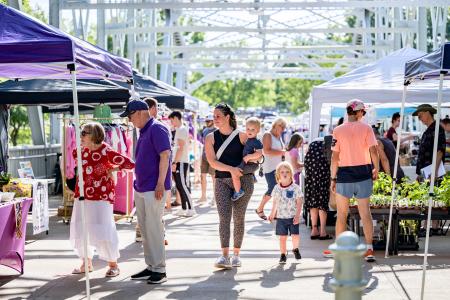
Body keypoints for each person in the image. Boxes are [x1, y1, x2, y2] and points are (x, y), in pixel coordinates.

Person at [70, 122, 135, 277]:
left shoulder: (106, 150)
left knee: (104, 228)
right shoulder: (80, 151)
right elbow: (73, 156)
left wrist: (112, 168)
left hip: (101, 196)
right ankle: (87, 263)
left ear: (95, 135)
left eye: (85, 133)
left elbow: (129, 163)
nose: (81, 136)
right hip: (82, 195)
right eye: (81, 133)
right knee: (81, 227)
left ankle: (113, 264)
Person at [205, 103, 261, 269]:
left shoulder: (243, 136)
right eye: (213, 116)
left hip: (244, 181)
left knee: (238, 218)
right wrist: (231, 169)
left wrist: (252, 160)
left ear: (227, 117)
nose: (215, 119)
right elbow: (212, 161)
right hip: (221, 180)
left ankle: (236, 255)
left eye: (218, 116)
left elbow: (258, 156)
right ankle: (224, 255)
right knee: (223, 218)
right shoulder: (210, 137)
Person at [122, 100, 171, 284]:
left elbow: (165, 155)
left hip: (153, 187)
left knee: (154, 228)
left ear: (140, 113)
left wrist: (160, 183)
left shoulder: (157, 128)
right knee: (145, 228)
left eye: (130, 115)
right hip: (142, 186)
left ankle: (159, 268)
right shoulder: (145, 130)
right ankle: (151, 266)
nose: (129, 119)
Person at [324, 99, 379, 262]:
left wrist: (333, 177)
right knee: (365, 213)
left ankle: (339, 250)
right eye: (364, 112)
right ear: (358, 112)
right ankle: (369, 249)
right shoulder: (367, 128)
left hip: (344, 174)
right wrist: (376, 168)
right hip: (363, 172)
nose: (364, 114)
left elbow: (335, 157)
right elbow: (374, 150)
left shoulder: (338, 130)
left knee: (341, 214)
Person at [268, 162, 303, 264]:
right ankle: (283, 255)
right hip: (281, 218)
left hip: (293, 217)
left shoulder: (295, 188)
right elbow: (275, 202)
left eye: (287, 172)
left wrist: (297, 215)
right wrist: (272, 214)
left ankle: (295, 249)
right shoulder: (276, 188)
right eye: (282, 172)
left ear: (291, 174)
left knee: (295, 236)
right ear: (278, 174)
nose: (285, 174)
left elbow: (299, 202)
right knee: (282, 238)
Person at [255, 118, 287, 220]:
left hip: (278, 167)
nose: (283, 129)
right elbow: (267, 151)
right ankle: (260, 208)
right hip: (270, 167)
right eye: (281, 127)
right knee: (272, 188)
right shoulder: (268, 135)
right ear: (276, 125)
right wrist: (282, 152)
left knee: (279, 190)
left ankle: (276, 212)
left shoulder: (278, 136)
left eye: (284, 128)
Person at [304, 139, 332, 240]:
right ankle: (323, 231)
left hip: (311, 182)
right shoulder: (325, 155)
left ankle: (314, 229)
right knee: (322, 205)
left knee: (313, 204)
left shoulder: (309, 157)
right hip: (323, 181)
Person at [169, 110, 195, 217]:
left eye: (171, 120)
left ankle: (191, 208)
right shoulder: (180, 129)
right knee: (179, 186)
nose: (171, 123)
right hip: (179, 161)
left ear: (176, 118)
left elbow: (180, 148)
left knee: (183, 185)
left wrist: (175, 162)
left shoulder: (181, 129)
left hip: (181, 162)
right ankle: (184, 208)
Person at [232, 117, 263, 200]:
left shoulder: (256, 141)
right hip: (248, 163)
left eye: (253, 129)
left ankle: (238, 191)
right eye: (248, 129)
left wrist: (249, 157)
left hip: (251, 164)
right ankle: (253, 176)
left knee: (235, 173)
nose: (249, 131)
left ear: (258, 130)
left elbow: (259, 153)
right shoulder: (249, 139)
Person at [414, 104, 446, 181]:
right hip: (426, 173)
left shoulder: (437, 129)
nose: (419, 119)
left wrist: (434, 172)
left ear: (427, 113)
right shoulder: (428, 130)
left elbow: (440, 151)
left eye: (420, 116)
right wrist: (420, 174)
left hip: (431, 174)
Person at [199, 115, 216, 205]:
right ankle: (203, 196)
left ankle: (214, 197)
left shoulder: (217, 131)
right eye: (206, 121)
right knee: (203, 176)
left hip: (213, 157)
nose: (207, 123)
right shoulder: (205, 130)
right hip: (204, 155)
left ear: (212, 121)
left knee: (214, 178)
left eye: (208, 121)